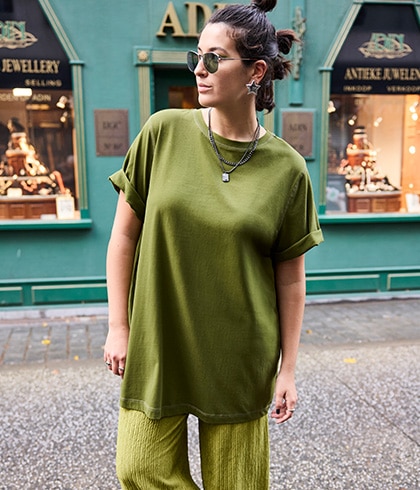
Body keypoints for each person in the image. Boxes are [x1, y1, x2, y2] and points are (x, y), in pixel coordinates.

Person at [104, 0, 323, 488]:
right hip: (160, 342)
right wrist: (119, 325)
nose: (199, 70)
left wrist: (288, 370)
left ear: (255, 71)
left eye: (214, 58)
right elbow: (123, 235)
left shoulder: (286, 168)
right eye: (196, 56)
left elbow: (290, 277)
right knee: (139, 469)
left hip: (240, 353)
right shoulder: (162, 132)